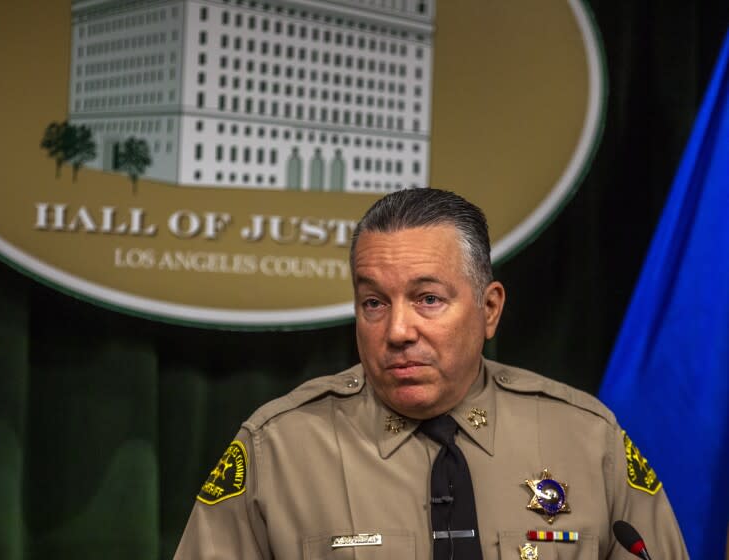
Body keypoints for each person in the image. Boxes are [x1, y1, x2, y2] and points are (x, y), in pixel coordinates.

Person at [173, 188, 688, 559]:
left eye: (428, 299)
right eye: (374, 302)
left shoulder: (586, 438)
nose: (397, 330)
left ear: (489, 310)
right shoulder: (279, 451)